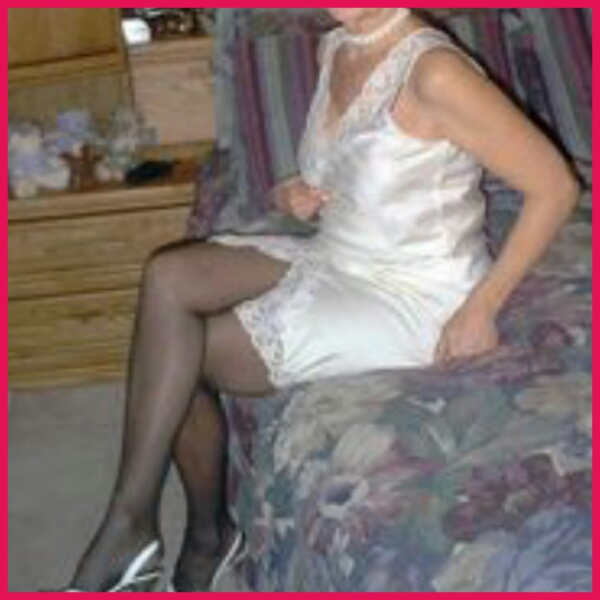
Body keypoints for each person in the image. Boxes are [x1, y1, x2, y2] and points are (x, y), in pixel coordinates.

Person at [63, 7, 579, 592]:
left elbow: (556, 186)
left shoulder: (435, 72)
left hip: (415, 292)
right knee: (169, 276)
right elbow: (346, 167)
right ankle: (159, 530)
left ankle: (158, 533)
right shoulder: (337, 46)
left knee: (187, 356)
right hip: (341, 254)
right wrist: (294, 193)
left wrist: (481, 307)